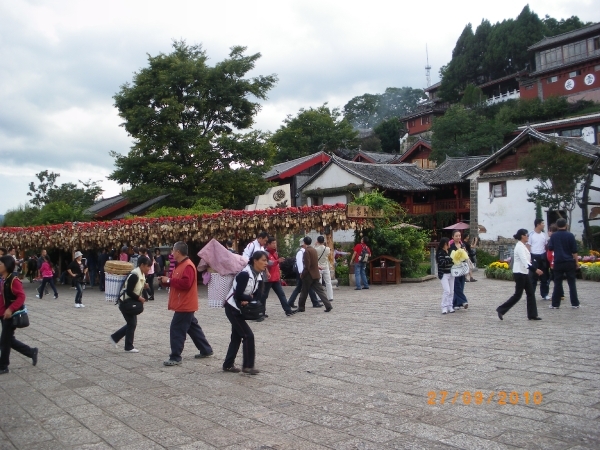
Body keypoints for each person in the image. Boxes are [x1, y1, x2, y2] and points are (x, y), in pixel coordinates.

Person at [160, 242, 213, 366]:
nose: (171, 253)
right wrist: (165, 281)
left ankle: (175, 356)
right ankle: (206, 349)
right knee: (192, 327)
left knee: (177, 329)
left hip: (185, 304)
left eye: (173, 250)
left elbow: (186, 284)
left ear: (178, 252)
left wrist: (169, 280)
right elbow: (175, 281)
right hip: (184, 303)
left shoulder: (187, 266)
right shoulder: (181, 265)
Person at [223, 251, 267, 374]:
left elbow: (258, 296)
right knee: (248, 335)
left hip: (239, 308)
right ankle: (248, 366)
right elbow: (238, 295)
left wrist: (248, 299)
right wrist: (249, 298)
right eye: (263, 260)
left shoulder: (258, 275)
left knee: (236, 337)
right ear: (255, 260)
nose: (266, 263)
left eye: (266, 260)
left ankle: (228, 365)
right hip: (233, 308)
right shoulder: (245, 274)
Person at [0, 255, 38, 374]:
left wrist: (10, 309)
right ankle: (31, 352)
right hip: (3, 313)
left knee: (5, 341)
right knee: (8, 340)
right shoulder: (4, 279)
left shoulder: (13, 280)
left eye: (0, 264)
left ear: (6, 266)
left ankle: (3, 366)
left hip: (10, 315)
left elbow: (21, 296)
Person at [496, 229, 543, 321]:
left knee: (530, 293)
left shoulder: (523, 246)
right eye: (527, 235)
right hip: (519, 273)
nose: (528, 237)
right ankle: (501, 309)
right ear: (522, 236)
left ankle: (532, 315)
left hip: (524, 272)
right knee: (518, 295)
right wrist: (535, 270)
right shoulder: (519, 247)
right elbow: (525, 261)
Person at [110, 256, 151, 352]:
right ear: (142, 265)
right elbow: (129, 292)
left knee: (131, 324)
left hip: (129, 302)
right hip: (125, 302)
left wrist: (145, 287)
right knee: (132, 323)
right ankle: (128, 346)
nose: (149, 268)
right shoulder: (134, 275)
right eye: (147, 266)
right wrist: (139, 298)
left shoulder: (141, 274)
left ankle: (115, 338)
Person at [548, 218, 580, 309]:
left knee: (557, 283)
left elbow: (550, 248)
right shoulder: (570, 235)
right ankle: (575, 303)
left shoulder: (554, 236)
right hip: (569, 261)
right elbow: (574, 251)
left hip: (558, 262)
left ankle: (555, 304)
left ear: (557, 226)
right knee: (572, 283)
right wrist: (577, 263)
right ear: (566, 225)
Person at [298, 236, 333, 313]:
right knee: (320, 291)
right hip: (316, 273)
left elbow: (307, 265)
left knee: (304, 291)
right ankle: (328, 305)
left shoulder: (306, 251)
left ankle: (301, 307)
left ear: (304, 243)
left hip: (309, 275)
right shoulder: (314, 250)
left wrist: (303, 274)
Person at [264, 237, 296, 317]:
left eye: (275, 243)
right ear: (268, 244)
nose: (275, 245)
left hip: (276, 278)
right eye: (273, 243)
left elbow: (276, 265)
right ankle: (261, 312)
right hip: (268, 279)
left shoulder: (275, 252)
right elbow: (268, 263)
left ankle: (288, 310)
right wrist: (278, 261)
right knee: (264, 296)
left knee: (281, 294)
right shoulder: (265, 253)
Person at [288, 240, 321, 308]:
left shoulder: (306, 251)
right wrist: (301, 272)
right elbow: (300, 263)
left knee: (305, 287)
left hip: (305, 272)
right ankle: (315, 302)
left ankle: (291, 301)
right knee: (302, 287)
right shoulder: (301, 252)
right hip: (302, 272)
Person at [527, 219, 550, 300]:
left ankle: (544, 294)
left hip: (542, 256)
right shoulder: (531, 234)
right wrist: (529, 257)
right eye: (542, 223)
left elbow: (546, 246)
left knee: (544, 276)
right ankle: (531, 294)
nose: (544, 225)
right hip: (534, 256)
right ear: (538, 224)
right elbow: (528, 246)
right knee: (533, 277)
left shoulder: (544, 235)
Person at [449, 230, 469, 309]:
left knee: (461, 284)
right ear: (453, 237)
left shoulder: (462, 245)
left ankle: (456, 303)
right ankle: (464, 301)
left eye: (459, 236)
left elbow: (466, 256)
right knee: (456, 285)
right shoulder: (451, 246)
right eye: (456, 236)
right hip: (455, 268)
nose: (458, 237)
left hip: (462, 267)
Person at [436, 238, 455, 314]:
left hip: (451, 273)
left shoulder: (450, 252)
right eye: (448, 243)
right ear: (445, 244)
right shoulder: (440, 253)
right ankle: (444, 307)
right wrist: (451, 259)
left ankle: (450, 306)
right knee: (447, 290)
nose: (449, 244)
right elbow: (442, 262)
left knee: (451, 291)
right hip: (444, 274)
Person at [314, 236, 334, 303]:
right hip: (326, 266)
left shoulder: (316, 249)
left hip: (318, 267)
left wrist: (315, 245)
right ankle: (330, 297)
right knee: (328, 282)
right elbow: (329, 256)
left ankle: (319, 297)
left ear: (318, 241)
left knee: (319, 283)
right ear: (323, 241)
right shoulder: (328, 249)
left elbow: (313, 255)